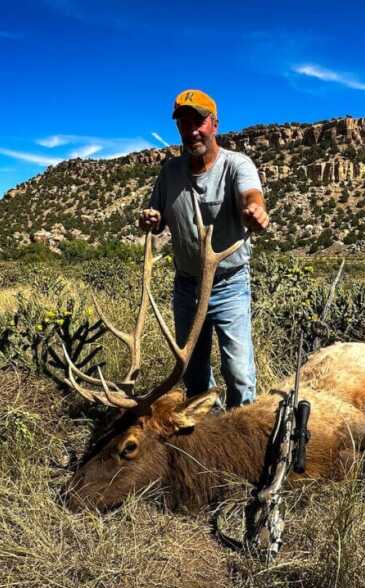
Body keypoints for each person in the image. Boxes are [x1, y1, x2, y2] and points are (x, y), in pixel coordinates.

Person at [139, 89, 269, 408]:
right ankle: (205, 440)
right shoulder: (169, 172)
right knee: (194, 377)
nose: (192, 130)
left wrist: (255, 210)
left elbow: (251, 195)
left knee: (238, 374)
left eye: (199, 121)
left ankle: (243, 439)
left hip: (229, 287)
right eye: (184, 123)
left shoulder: (237, 165)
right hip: (187, 289)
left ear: (214, 124)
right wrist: (151, 219)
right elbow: (157, 220)